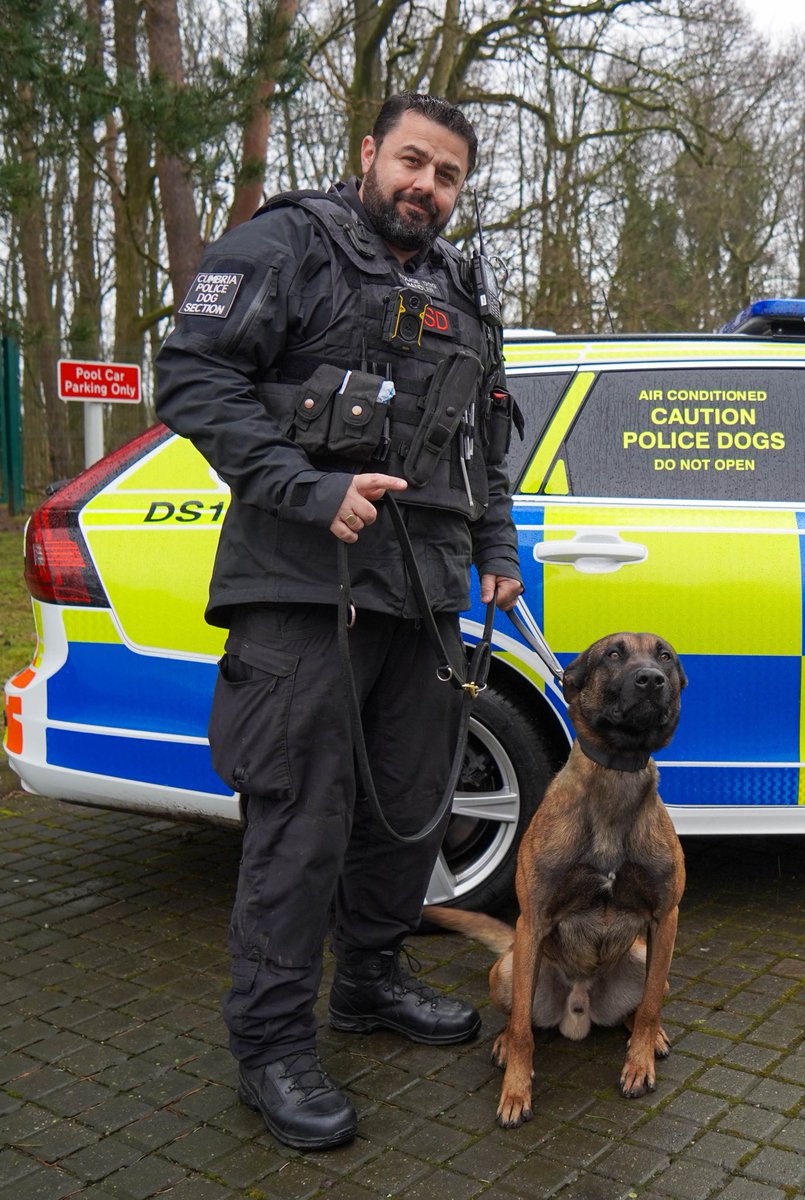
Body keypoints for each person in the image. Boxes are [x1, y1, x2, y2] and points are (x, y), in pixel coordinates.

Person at [155, 92, 523, 1152]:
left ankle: (367, 981)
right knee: (300, 822)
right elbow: (191, 378)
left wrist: (496, 552)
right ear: (369, 154)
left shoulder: (459, 284)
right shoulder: (289, 244)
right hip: (304, 589)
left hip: (424, 597)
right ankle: (271, 1047)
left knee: (408, 808)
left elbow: (478, 445)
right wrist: (305, 487)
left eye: (448, 175)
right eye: (412, 161)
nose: (427, 187)